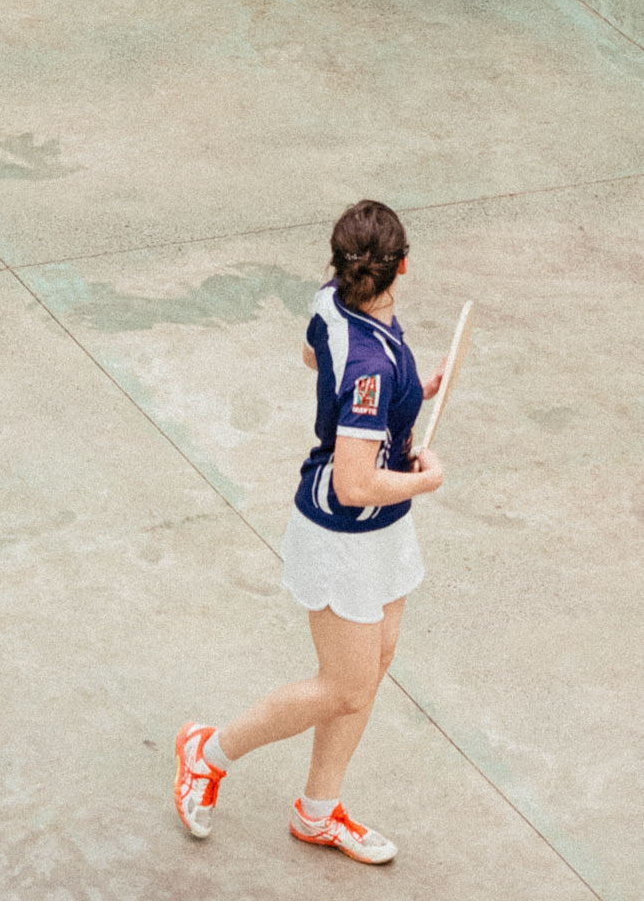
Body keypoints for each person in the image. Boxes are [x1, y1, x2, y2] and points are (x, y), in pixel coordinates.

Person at [174, 200, 447, 867]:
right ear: (403, 265)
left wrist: (409, 394)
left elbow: (309, 354)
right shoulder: (368, 369)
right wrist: (424, 479)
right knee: (343, 686)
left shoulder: (335, 302)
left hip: (380, 530)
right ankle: (205, 754)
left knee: (371, 667)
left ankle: (317, 812)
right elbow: (355, 484)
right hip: (344, 532)